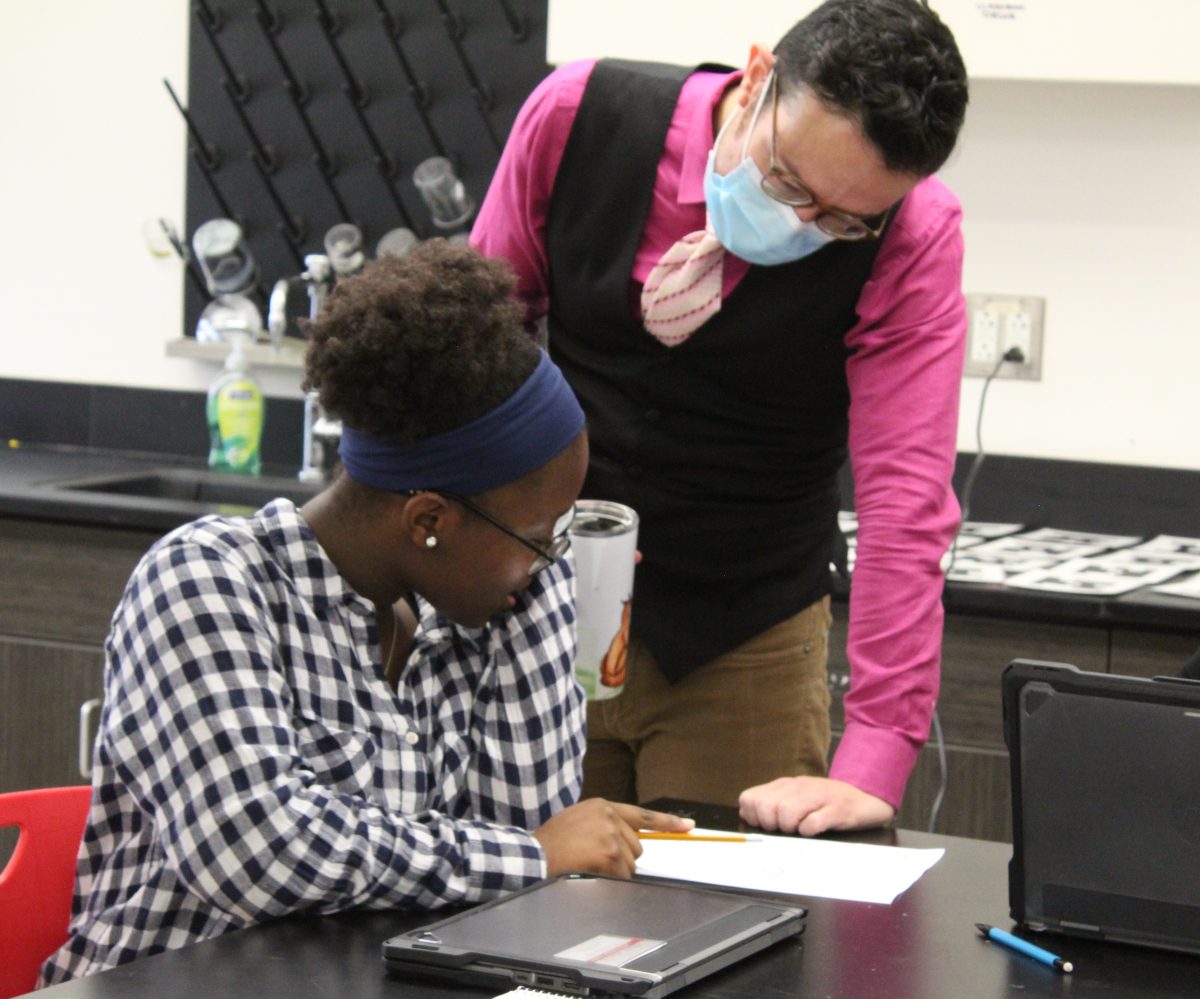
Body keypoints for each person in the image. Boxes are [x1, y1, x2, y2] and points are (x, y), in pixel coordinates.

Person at [41, 241, 690, 984]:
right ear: (427, 520)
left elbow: (522, 838)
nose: (552, 566)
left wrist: (535, 575)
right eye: (540, 539)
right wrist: (534, 856)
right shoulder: (208, 581)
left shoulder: (481, 605)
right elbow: (258, 850)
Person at [472, 0, 969, 834]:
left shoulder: (914, 235)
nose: (803, 224)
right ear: (758, 75)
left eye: (845, 221)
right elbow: (474, 357)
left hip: (748, 631)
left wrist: (876, 752)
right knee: (512, 903)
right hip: (539, 606)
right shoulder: (574, 117)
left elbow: (904, 502)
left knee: (726, 931)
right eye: (788, 181)